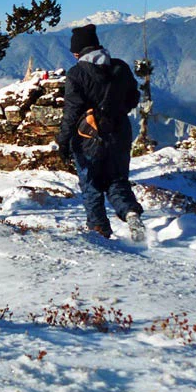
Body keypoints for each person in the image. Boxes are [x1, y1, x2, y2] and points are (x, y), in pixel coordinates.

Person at [56, 24, 146, 241]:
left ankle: (100, 233)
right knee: (117, 180)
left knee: (92, 185)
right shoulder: (120, 67)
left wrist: (63, 142)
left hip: (89, 138)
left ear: (78, 52)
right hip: (120, 133)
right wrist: (115, 112)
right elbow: (134, 97)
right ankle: (130, 212)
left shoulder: (76, 73)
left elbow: (71, 112)